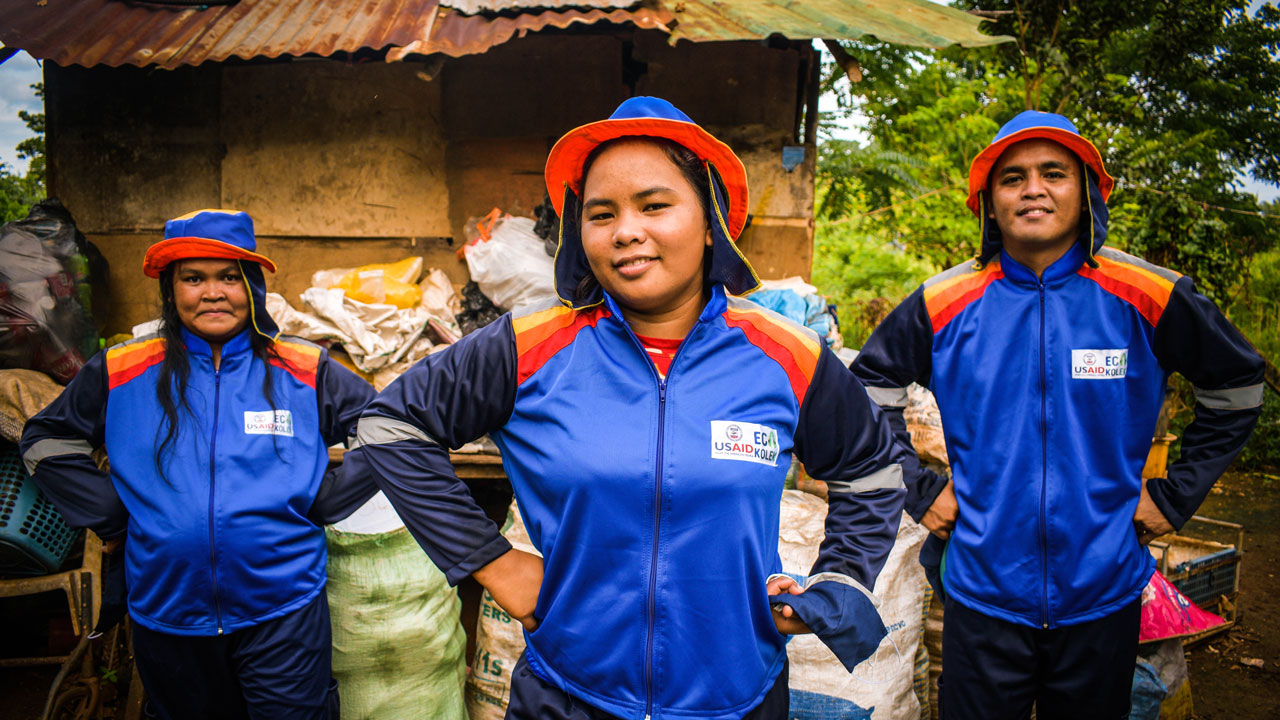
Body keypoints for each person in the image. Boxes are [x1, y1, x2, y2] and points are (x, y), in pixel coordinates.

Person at [344, 97, 909, 720]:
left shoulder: (785, 355)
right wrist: (492, 562)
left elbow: (872, 470)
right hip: (570, 693)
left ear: (709, 217)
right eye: (601, 213)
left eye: (655, 205)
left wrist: (838, 580)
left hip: (736, 697)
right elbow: (389, 424)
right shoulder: (528, 347)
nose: (625, 231)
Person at [850, 111, 1266, 719]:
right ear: (989, 201)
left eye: (1054, 173)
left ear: (1088, 192)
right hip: (982, 592)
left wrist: (1175, 496)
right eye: (1013, 178)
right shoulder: (945, 301)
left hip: (1103, 590)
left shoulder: (1148, 294)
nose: (1034, 189)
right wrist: (921, 489)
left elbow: (1236, 383)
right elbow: (866, 389)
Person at [21, 209, 376, 720]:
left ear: (251, 287)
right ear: (172, 290)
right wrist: (112, 510)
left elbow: (389, 430)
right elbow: (45, 438)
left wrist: (328, 498)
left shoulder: (303, 366)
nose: (213, 292)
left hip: (283, 612)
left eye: (229, 277)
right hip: (168, 616)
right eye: (194, 278)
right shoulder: (123, 369)